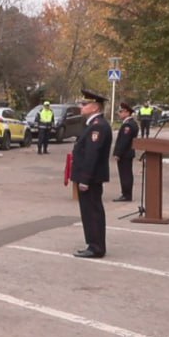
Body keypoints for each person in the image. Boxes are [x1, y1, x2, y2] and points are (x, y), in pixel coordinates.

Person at [71, 89, 113, 258]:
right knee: (88, 212)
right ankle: (93, 244)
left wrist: (85, 179)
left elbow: (92, 155)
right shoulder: (93, 125)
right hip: (90, 177)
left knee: (92, 212)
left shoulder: (98, 127)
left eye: (85, 104)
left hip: (91, 178)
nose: (81, 106)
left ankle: (96, 247)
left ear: (95, 107)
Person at [113, 102, 138, 203]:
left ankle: (126, 194)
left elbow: (124, 141)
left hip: (125, 154)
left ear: (127, 112)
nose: (119, 114)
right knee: (126, 174)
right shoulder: (131, 123)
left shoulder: (128, 125)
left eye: (121, 112)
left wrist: (118, 153)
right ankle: (126, 193)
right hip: (128, 153)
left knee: (125, 175)